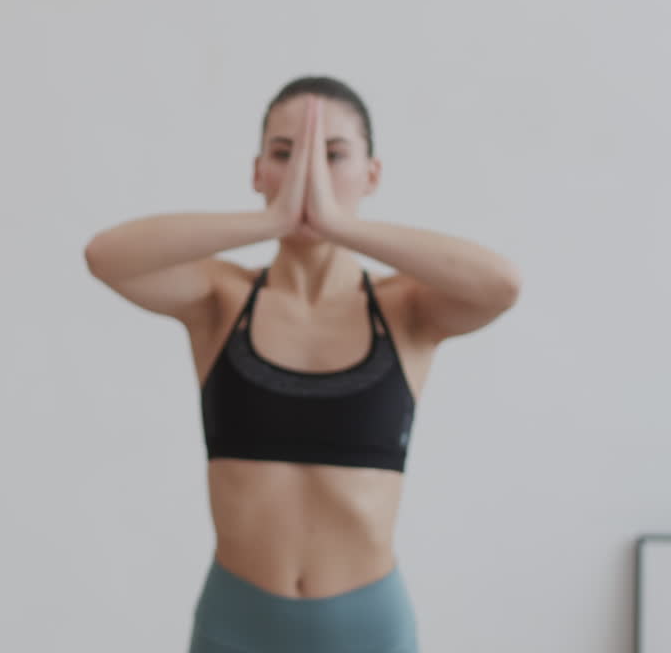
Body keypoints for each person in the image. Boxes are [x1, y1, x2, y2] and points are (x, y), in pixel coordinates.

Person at [84, 76, 520, 653]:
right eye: (284, 154)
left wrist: (341, 226)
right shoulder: (222, 300)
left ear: (372, 174)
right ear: (258, 172)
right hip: (236, 623)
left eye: (333, 155)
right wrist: (271, 220)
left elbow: (501, 284)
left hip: (368, 628)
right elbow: (105, 256)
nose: (306, 174)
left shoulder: (406, 308)